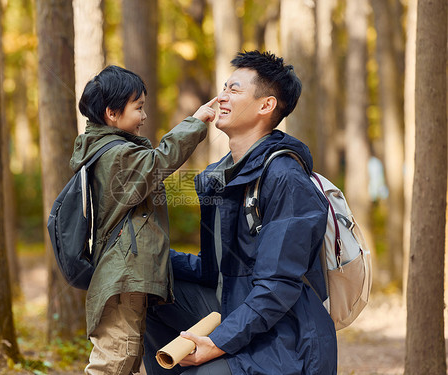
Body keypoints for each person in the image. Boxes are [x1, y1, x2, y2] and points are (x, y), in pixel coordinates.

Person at [143, 51, 338, 374]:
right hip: (234, 308)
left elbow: (277, 288)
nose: (221, 97)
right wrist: (151, 255)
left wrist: (217, 343)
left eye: (234, 90)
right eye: (224, 88)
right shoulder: (220, 176)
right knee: (149, 286)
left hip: (285, 337)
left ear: (266, 105)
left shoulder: (286, 178)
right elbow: (214, 269)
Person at [70, 65, 216, 375]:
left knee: (128, 360)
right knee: (114, 361)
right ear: (112, 112)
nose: (144, 116)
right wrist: (196, 121)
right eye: (138, 108)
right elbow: (159, 161)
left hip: (125, 277)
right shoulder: (116, 155)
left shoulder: (109, 151)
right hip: (122, 277)